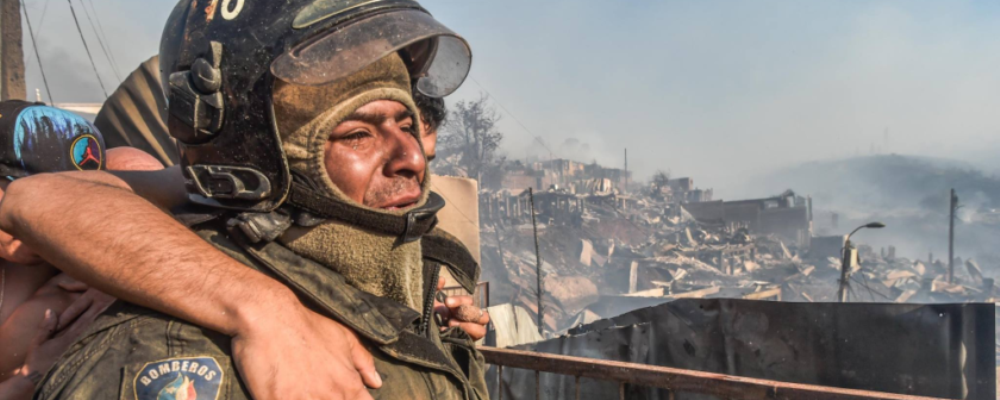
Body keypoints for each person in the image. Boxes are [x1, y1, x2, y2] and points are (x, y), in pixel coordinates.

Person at [3, 0, 486, 399]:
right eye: (358, 133)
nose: (412, 159)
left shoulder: (417, 268)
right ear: (262, 151)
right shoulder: (175, 351)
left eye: (406, 126)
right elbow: (36, 200)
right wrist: (260, 306)